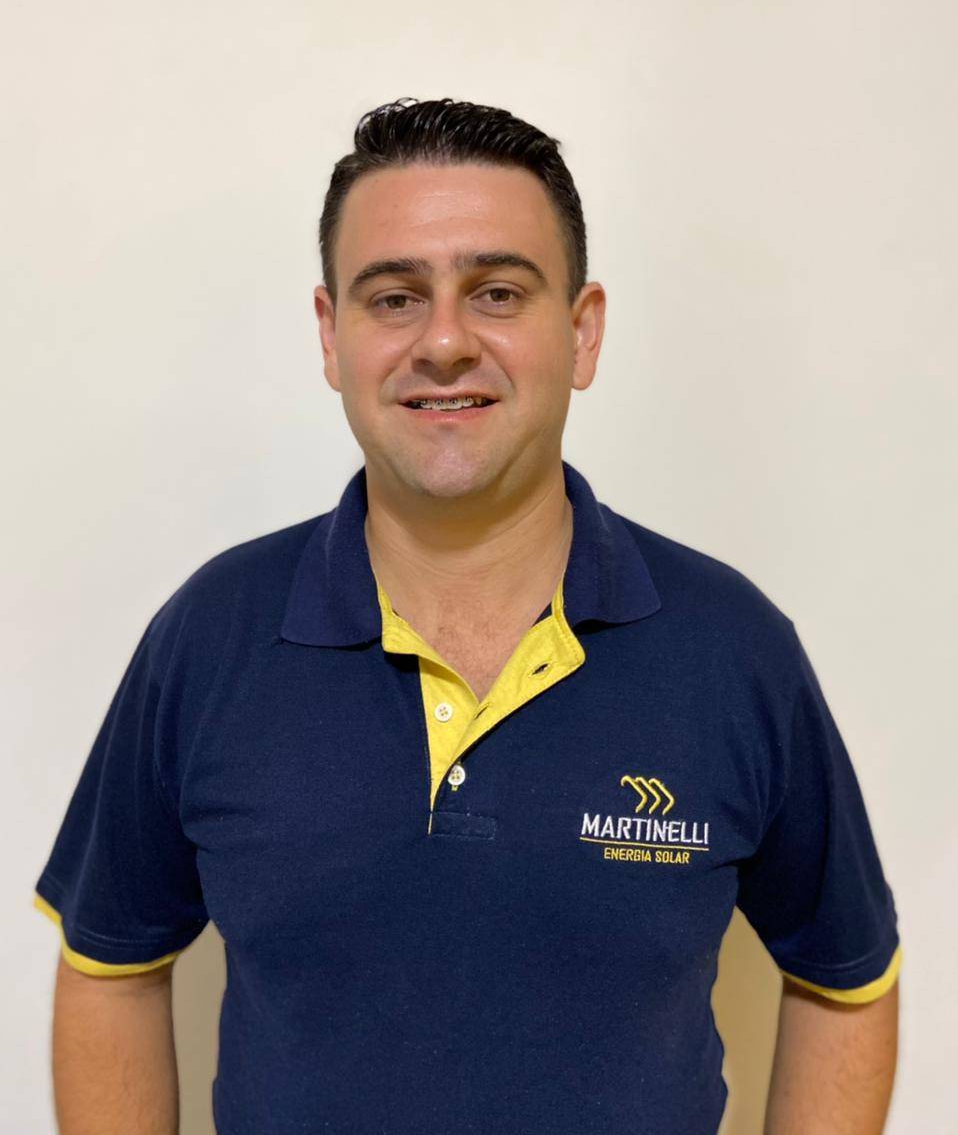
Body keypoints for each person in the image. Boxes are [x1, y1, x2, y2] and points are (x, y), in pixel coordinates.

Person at [33, 97, 901, 1134]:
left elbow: (845, 977)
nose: (443, 341)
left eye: (496, 292)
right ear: (332, 336)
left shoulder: (732, 648)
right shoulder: (210, 636)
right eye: (395, 297)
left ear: (581, 331)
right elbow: (112, 966)